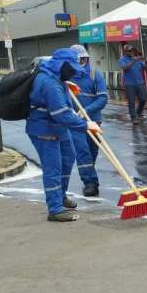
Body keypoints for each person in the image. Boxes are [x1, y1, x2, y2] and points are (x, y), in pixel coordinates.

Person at [27, 48, 102, 222]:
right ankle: (54, 209)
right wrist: (85, 125)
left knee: (68, 158)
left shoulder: (56, 78)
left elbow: (63, 109)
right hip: (44, 130)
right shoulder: (49, 83)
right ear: (62, 65)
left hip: (57, 128)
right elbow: (61, 114)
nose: (75, 72)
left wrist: (66, 86)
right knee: (53, 168)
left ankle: (60, 196)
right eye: (72, 68)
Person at [67, 44, 107, 197]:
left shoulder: (94, 74)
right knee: (82, 152)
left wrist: (86, 111)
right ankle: (90, 183)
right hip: (75, 123)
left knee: (91, 153)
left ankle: (89, 173)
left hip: (94, 121)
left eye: (84, 59)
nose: (82, 62)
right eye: (79, 59)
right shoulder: (67, 78)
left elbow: (103, 98)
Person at [118, 45, 147, 124]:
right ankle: (133, 117)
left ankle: (138, 112)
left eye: (132, 50)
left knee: (143, 99)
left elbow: (145, 68)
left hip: (140, 82)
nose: (131, 52)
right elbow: (125, 68)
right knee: (131, 101)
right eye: (129, 51)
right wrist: (134, 60)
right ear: (126, 52)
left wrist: (145, 61)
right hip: (129, 84)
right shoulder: (122, 59)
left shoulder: (137, 58)